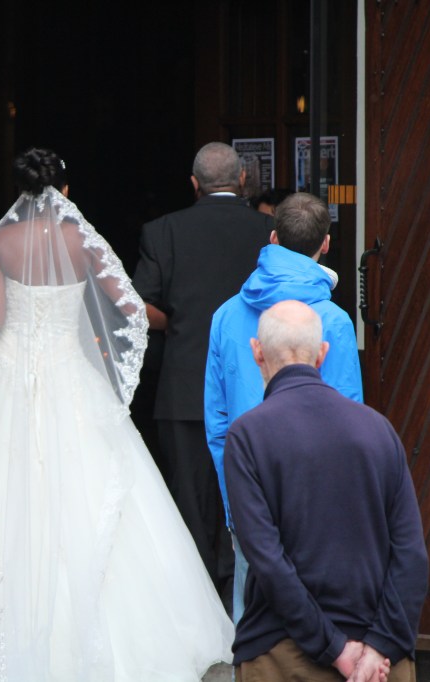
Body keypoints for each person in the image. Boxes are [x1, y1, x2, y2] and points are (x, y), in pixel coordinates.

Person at [0, 148, 234, 681]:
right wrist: (107, 361)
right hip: (71, 374)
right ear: (65, 190)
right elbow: (130, 308)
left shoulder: (1, 241)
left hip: (9, 373)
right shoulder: (81, 240)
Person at [225, 300, 427, 682]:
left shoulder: (248, 437)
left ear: (256, 352)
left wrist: (335, 649)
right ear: (322, 354)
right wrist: (380, 646)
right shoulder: (378, 429)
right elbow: (412, 556)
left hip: (284, 657)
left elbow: (267, 562)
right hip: (380, 663)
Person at [205, 191, 363, 623]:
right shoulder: (332, 321)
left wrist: (232, 499)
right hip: (317, 498)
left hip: (247, 485)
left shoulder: (225, 315)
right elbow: (348, 420)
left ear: (272, 238)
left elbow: (217, 423)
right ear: (325, 245)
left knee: (251, 620)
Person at [132, 141, 273, 603]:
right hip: (257, 383)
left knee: (190, 503)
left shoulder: (162, 231)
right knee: (250, 497)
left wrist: (175, 321)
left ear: (193, 184)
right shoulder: (268, 231)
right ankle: (241, 596)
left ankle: (198, 603)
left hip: (185, 385)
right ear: (243, 180)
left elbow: (139, 307)